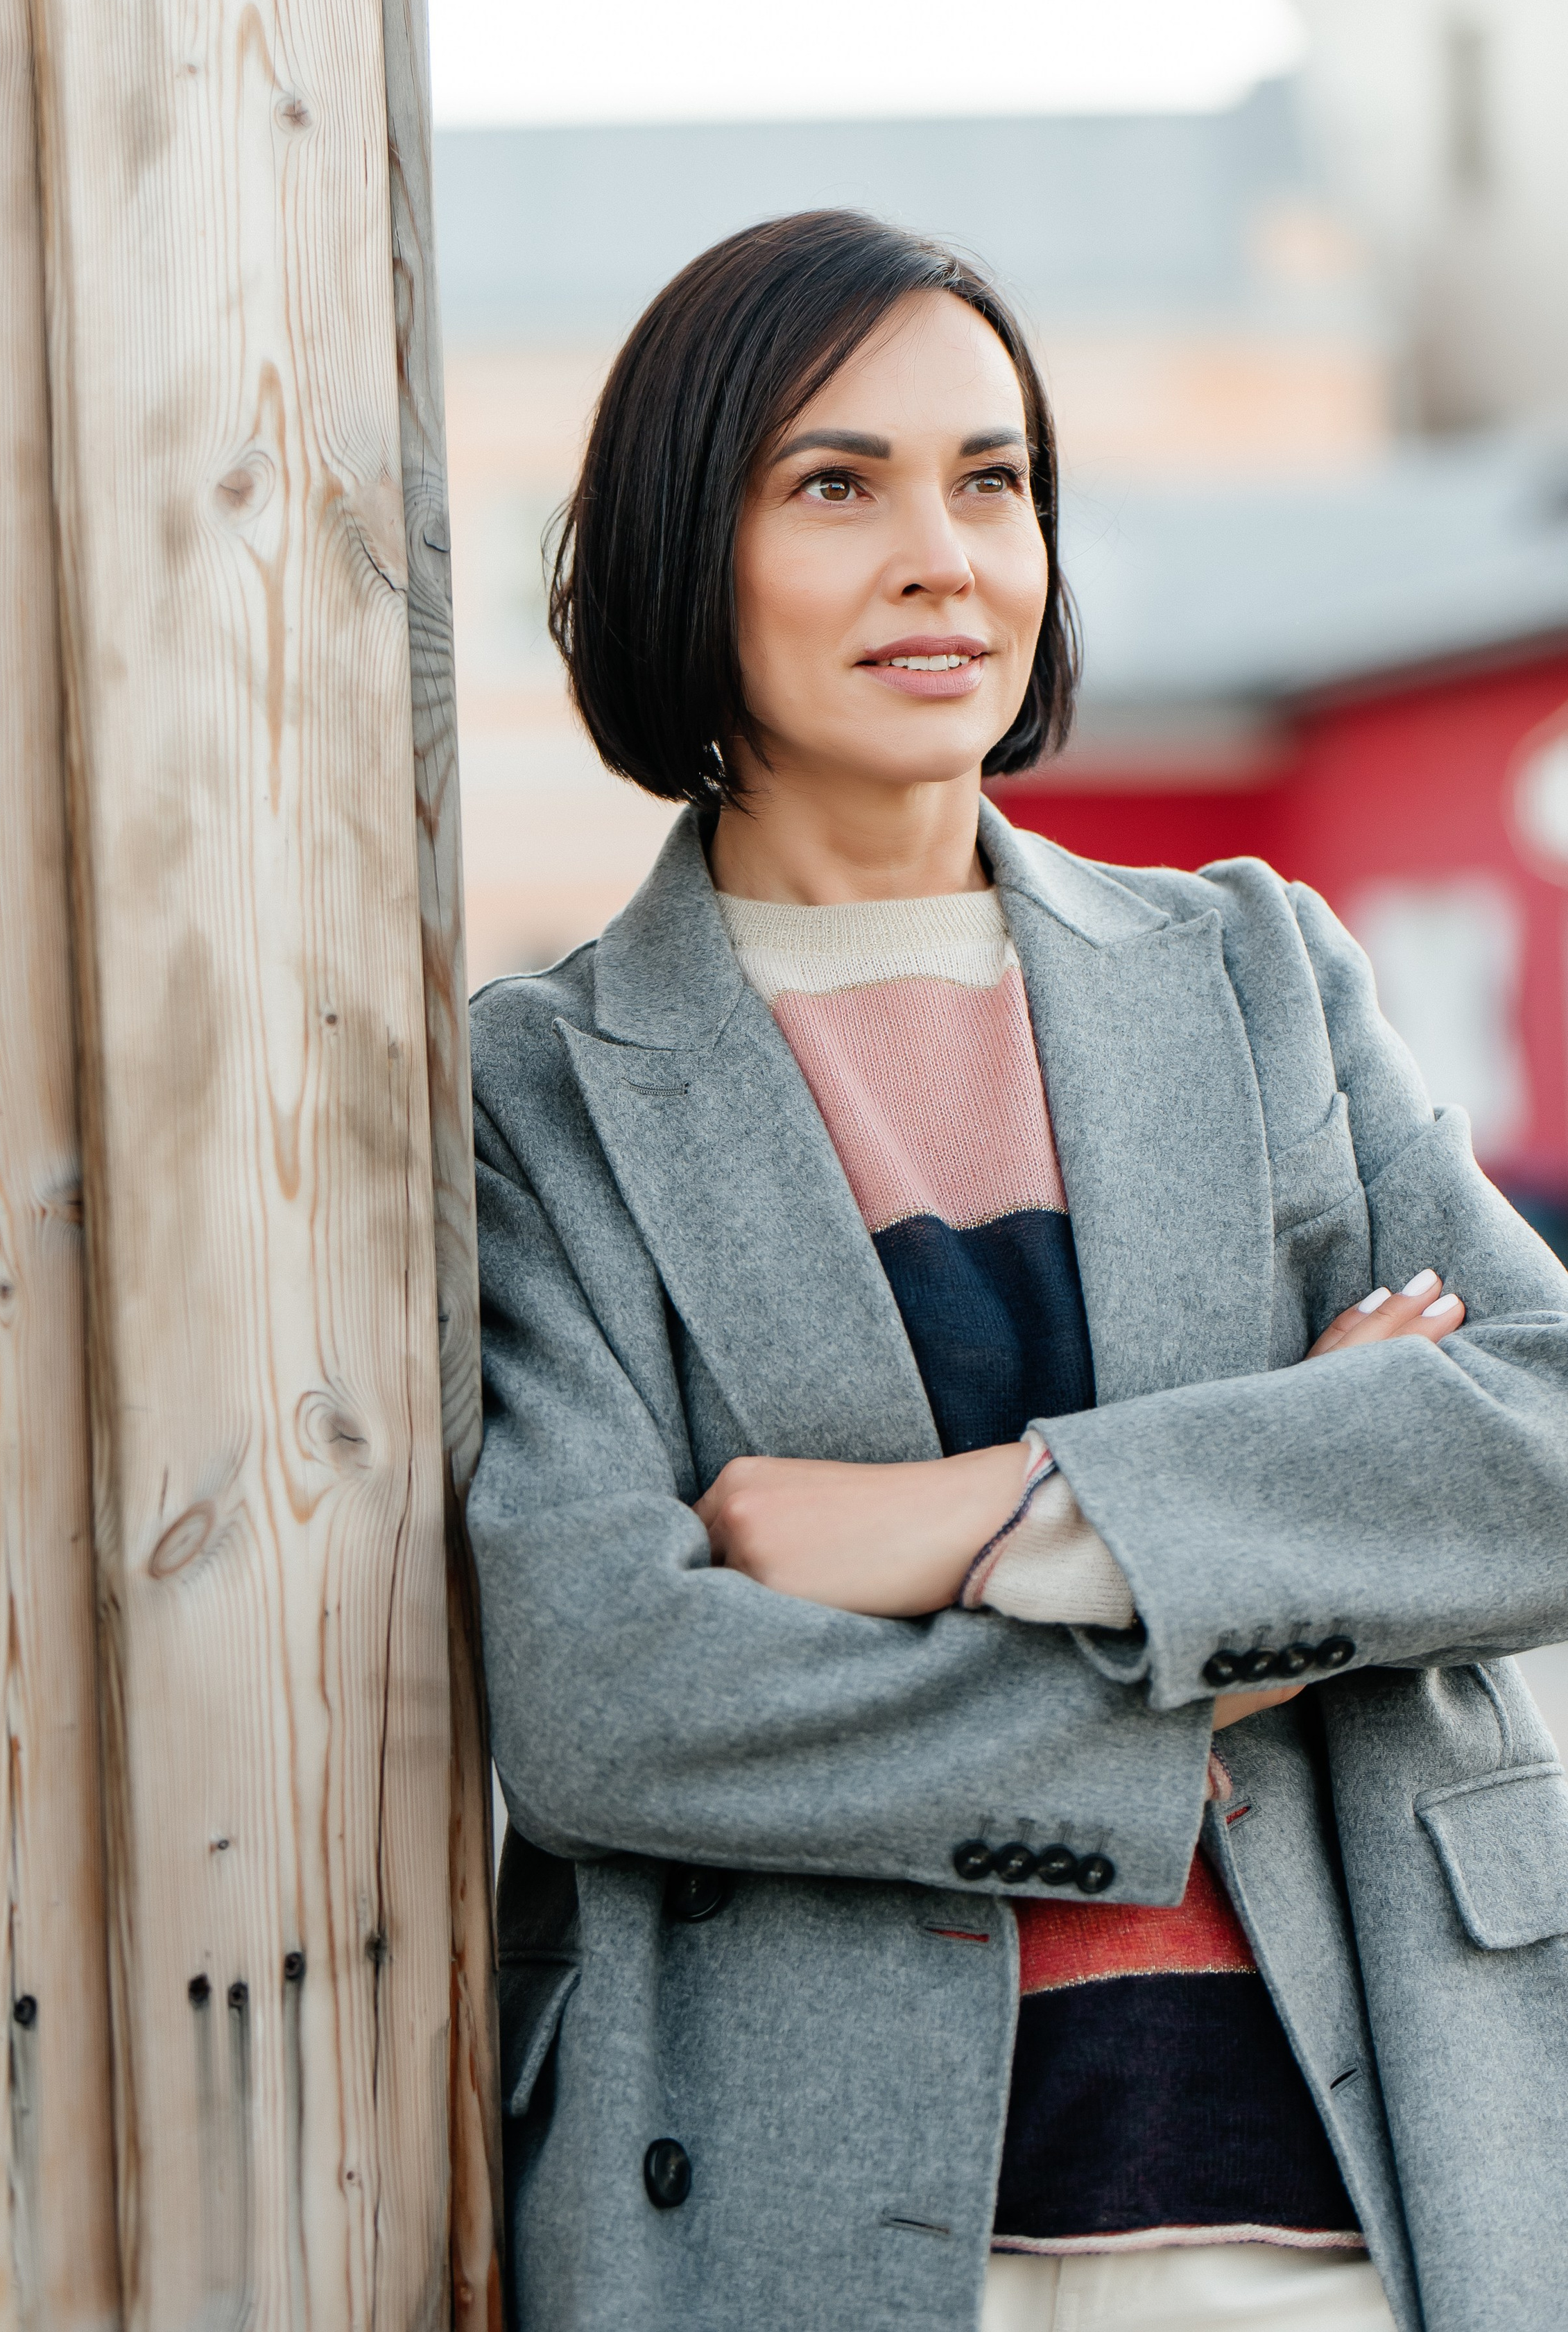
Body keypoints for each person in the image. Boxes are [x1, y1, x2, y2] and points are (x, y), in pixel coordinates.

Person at [465, 210, 1568, 2332]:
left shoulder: (1251, 966)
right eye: (834, 483)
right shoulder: (552, 1087)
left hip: (1358, 2188)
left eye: (993, 479)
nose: (940, 552)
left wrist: (981, 1522)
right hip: (811, 2211)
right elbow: (613, 1691)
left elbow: (1531, 1435)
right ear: (693, 543)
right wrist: (1225, 1628)